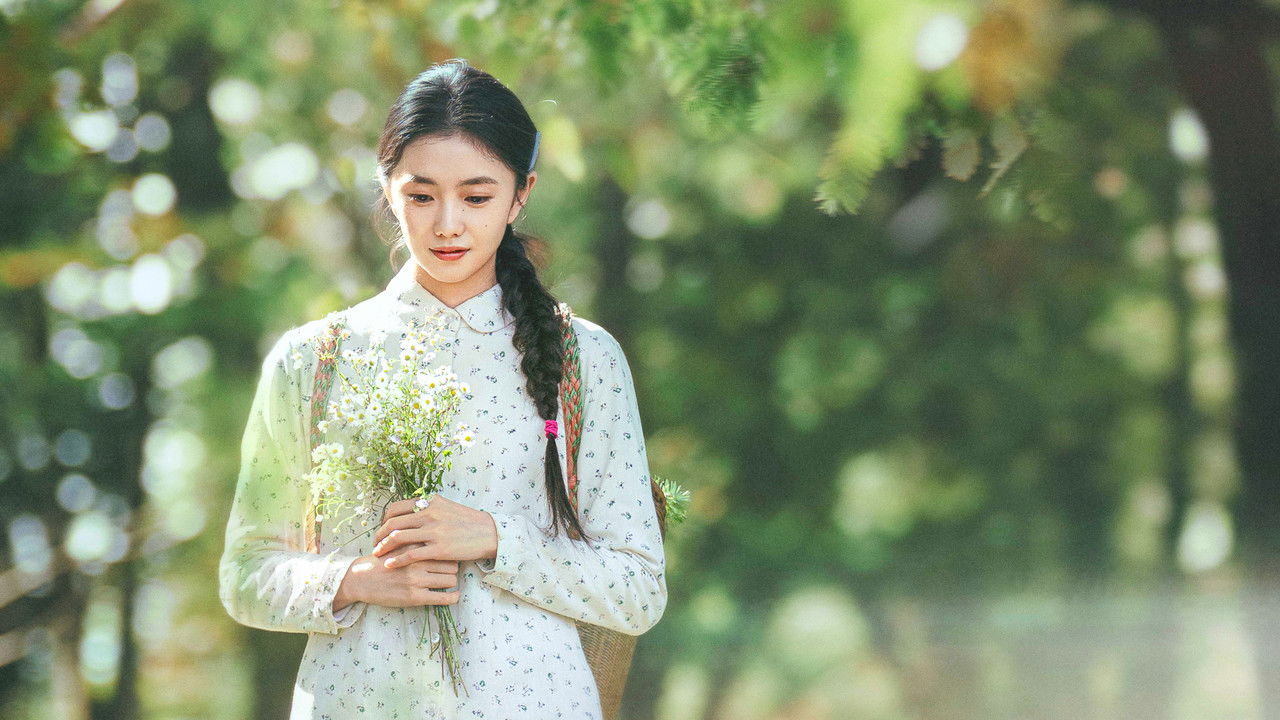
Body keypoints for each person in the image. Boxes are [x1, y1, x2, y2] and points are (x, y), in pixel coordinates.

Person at [217, 58, 667, 719]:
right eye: (421, 196)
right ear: (386, 187)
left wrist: (494, 538)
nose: (448, 224)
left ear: (521, 194)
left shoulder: (585, 359)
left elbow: (638, 590)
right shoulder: (311, 361)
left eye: (477, 197)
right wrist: (357, 580)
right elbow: (244, 575)